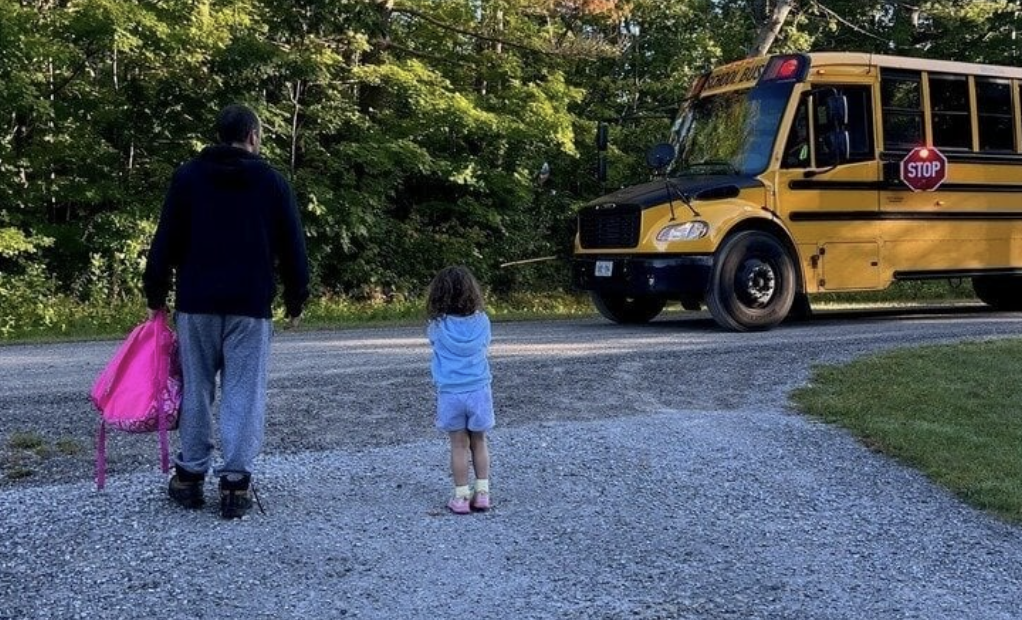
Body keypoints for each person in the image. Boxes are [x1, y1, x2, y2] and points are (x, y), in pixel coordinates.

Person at [143, 104, 309, 519]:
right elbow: (293, 246)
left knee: (196, 388)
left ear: (220, 135)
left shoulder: (188, 178)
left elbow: (165, 239)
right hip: (250, 306)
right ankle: (235, 484)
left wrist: (155, 294)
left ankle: (190, 476)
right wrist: (295, 298)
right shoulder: (272, 183)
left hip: (197, 303)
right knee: (243, 392)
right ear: (252, 136)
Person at [426, 266, 494, 514]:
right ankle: (483, 493)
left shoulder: (437, 325)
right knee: (480, 440)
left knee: (458, 445)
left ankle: (461, 496)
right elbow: (486, 345)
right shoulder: (482, 321)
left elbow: (433, 343)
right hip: (479, 389)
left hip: (450, 392)